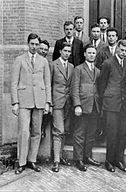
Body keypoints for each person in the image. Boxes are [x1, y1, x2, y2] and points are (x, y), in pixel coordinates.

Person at [11, 33, 51, 174]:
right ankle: (21, 162)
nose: (34, 47)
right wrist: (15, 102)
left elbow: (47, 83)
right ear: (28, 44)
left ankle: (31, 160)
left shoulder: (43, 61)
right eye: (32, 44)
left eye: (36, 44)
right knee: (23, 131)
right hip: (23, 100)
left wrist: (47, 102)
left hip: (39, 100)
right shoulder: (19, 60)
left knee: (36, 132)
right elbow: (14, 82)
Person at [99, 40, 126, 173]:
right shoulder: (108, 63)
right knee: (111, 134)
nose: (124, 53)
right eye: (122, 50)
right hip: (111, 103)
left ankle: (119, 160)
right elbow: (102, 84)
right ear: (117, 49)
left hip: (123, 104)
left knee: (122, 133)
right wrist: (104, 100)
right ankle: (109, 161)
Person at [71, 44, 101, 171]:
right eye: (89, 53)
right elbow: (74, 88)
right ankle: (78, 159)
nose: (91, 55)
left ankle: (87, 156)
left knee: (91, 133)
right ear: (84, 54)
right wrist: (77, 105)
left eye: (93, 53)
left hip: (95, 106)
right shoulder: (78, 69)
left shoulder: (98, 71)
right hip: (82, 105)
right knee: (80, 133)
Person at [50, 42, 74, 172]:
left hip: (68, 103)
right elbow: (49, 84)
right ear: (60, 51)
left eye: (69, 51)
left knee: (64, 131)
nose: (67, 53)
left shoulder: (71, 66)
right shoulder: (53, 65)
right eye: (65, 51)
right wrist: (49, 102)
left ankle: (61, 156)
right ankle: (56, 161)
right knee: (58, 130)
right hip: (57, 102)